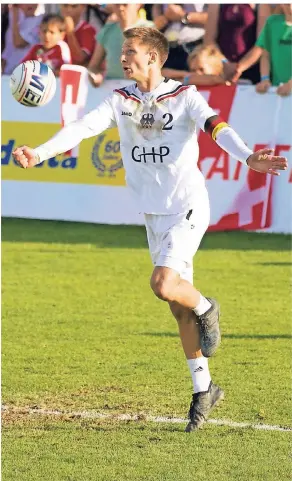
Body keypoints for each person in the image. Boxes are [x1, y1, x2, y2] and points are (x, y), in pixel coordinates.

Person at [12, 27, 288, 432]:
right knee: (177, 305)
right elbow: (83, 127)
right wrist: (39, 151)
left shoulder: (184, 95)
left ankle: (208, 308)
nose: (124, 58)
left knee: (164, 284)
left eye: (132, 52)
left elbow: (216, 127)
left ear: (154, 58)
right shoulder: (120, 100)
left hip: (188, 206)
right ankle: (204, 388)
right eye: (123, 52)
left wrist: (248, 158)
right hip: (153, 214)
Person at [229, 4, 292, 96]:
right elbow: (265, 53)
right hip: (277, 91)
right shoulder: (272, 22)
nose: (290, 6)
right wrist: (265, 79)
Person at [87, 4, 154, 85]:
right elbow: (93, 66)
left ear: (138, 4)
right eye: (117, 4)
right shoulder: (108, 29)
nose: (121, 8)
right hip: (111, 89)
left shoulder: (149, 29)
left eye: (125, 4)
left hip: (138, 90)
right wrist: (96, 75)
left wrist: (126, 27)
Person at [203, 4, 268, 85]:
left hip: (251, 70)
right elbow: (209, 40)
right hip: (220, 70)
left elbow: (261, 44)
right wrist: (224, 63)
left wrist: (239, 68)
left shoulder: (261, 5)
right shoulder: (216, 5)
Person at [152, 4, 208, 71]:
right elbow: (157, 7)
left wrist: (184, 16)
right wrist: (158, 18)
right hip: (167, 48)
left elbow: (217, 17)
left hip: (196, 46)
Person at [1, 4, 44, 75]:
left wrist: (15, 19)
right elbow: (8, 49)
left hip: (27, 73)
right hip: (9, 72)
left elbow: (18, 43)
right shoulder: (13, 18)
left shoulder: (39, 20)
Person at [162, 43, 228, 86]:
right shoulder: (190, 86)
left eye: (201, 69)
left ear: (217, 70)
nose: (197, 73)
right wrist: (187, 74)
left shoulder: (224, 83)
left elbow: (214, 79)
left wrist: (186, 80)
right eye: (193, 70)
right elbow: (162, 73)